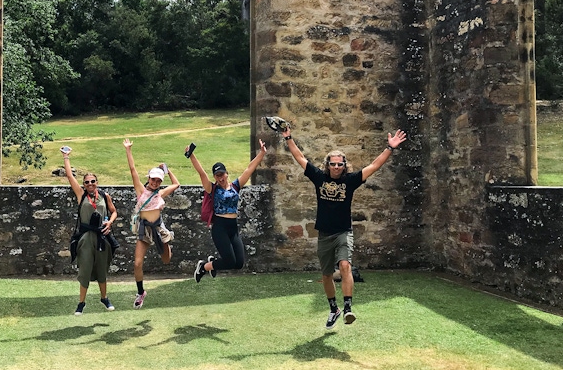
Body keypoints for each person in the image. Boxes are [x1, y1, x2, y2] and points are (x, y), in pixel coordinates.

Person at [281, 126, 407, 329]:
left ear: (344, 166)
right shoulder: (319, 178)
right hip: (324, 234)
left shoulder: (350, 181)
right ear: (328, 165)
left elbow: (374, 166)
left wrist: (389, 148)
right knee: (326, 275)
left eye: (340, 165)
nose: (337, 167)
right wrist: (288, 137)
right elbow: (300, 157)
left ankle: (348, 308)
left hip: (343, 232)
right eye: (333, 164)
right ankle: (334, 309)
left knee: (345, 265)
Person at [188, 139, 268, 282]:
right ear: (215, 177)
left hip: (233, 227)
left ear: (226, 173)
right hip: (220, 227)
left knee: (238, 263)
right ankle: (204, 267)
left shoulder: (236, 186)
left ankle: (213, 263)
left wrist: (261, 153)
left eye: (222, 174)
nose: (220, 178)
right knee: (229, 261)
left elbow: (249, 169)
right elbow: (201, 173)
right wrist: (191, 155)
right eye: (217, 175)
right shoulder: (212, 189)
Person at [124, 138, 181, 309]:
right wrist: (128, 150)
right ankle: (141, 292)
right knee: (137, 263)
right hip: (144, 229)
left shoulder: (160, 193)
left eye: (158, 180)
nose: (155, 182)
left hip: (158, 228)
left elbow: (177, 184)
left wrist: (168, 170)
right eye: (153, 179)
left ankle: (167, 239)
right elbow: (132, 169)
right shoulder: (141, 190)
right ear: (148, 178)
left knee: (166, 259)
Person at [61, 147, 118, 315]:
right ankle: (81, 303)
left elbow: (114, 211)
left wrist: (110, 223)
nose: (90, 184)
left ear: (97, 182)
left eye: (93, 181)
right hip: (86, 237)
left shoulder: (104, 196)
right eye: (87, 182)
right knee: (84, 269)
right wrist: (66, 157)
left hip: (102, 236)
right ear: (84, 185)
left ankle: (104, 298)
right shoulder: (81, 195)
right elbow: (70, 177)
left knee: (102, 268)